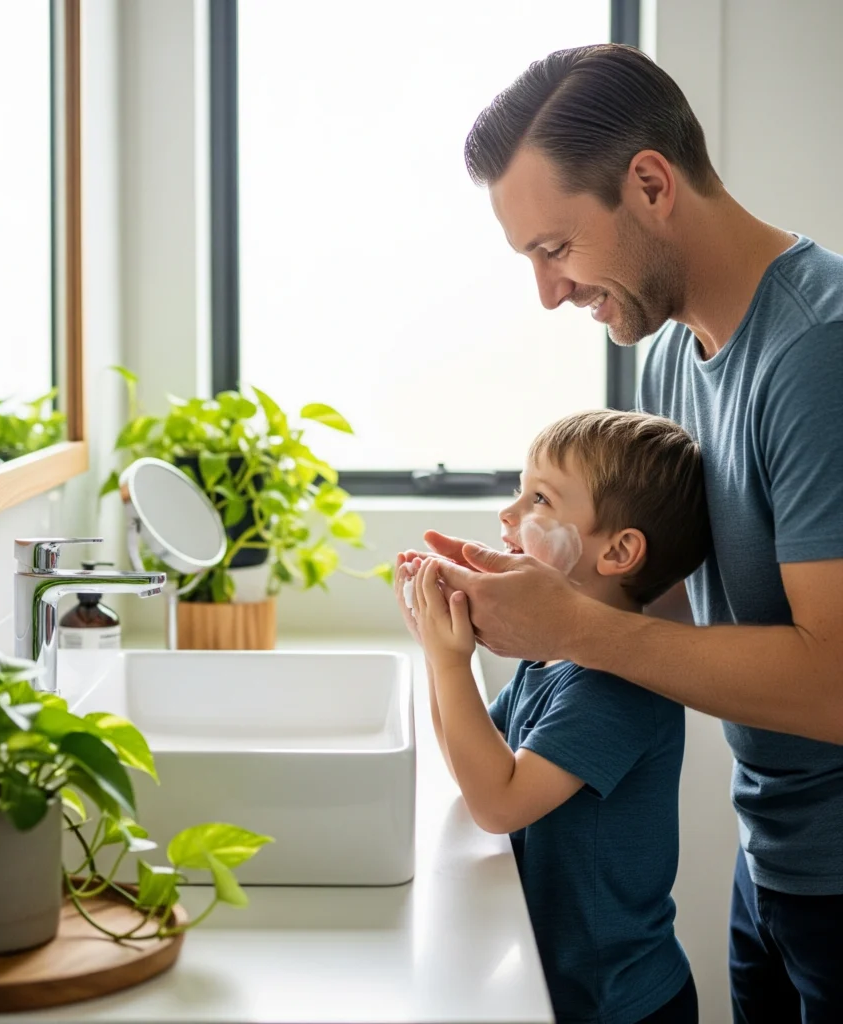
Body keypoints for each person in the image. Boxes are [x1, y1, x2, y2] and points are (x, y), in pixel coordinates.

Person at [423, 42, 843, 1023]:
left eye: (555, 250)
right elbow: (629, 597)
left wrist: (568, 628)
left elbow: (834, 681)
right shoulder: (668, 362)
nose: (548, 292)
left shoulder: (817, 355)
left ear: (649, 183)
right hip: (772, 860)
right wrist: (509, 592)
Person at [396, 409, 708, 1024]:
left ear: (618, 551)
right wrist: (438, 654)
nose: (508, 515)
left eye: (538, 498)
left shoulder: (616, 687)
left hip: (624, 1006)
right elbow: (475, 766)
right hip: (570, 992)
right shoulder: (552, 657)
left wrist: (450, 662)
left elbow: (498, 805)